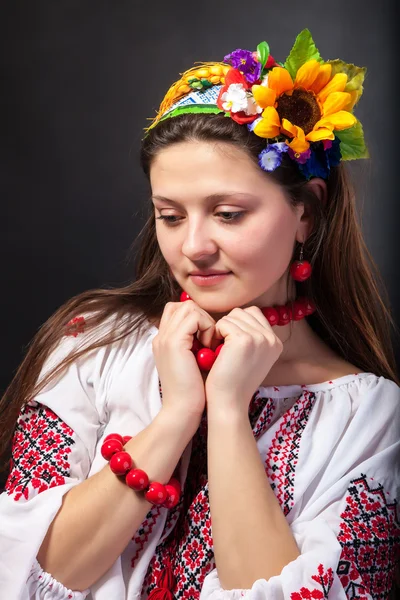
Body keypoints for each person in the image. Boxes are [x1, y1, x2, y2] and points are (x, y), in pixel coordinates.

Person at [0, 27, 399, 600]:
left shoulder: (372, 416)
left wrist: (230, 413)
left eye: (229, 214)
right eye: (170, 215)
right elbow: (28, 574)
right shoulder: (95, 344)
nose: (194, 247)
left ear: (307, 211)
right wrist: (178, 413)